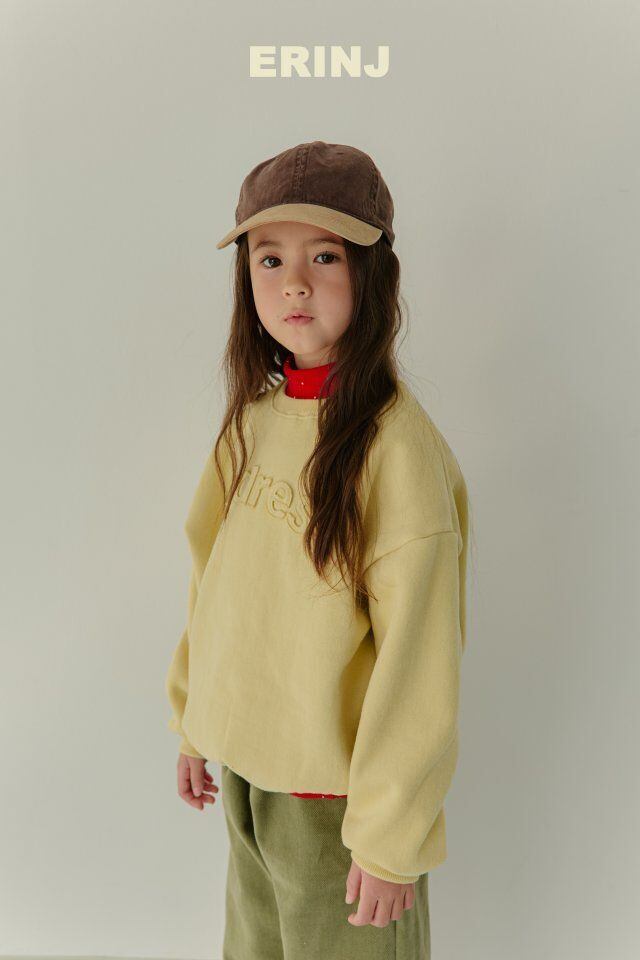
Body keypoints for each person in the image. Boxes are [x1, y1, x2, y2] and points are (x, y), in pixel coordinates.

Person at [165, 140, 471, 960]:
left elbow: (419, 660)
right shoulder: (252, 423)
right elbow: (213, 582)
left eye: (325, 255)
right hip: (249, 779)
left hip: (338, 807)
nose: (294, 282)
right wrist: (195, 721)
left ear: (374, 275)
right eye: (270, 259)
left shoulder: (396, 452)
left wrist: (390, 837)